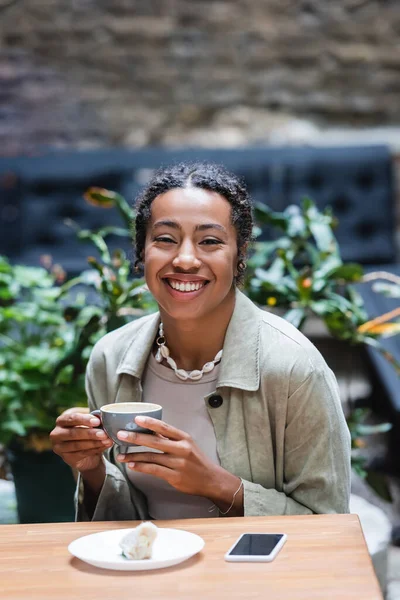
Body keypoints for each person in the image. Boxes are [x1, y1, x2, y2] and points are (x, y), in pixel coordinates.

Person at [50, 162, 351, 522]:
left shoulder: (293, 367)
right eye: (165, 239)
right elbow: (126, 526)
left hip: (256, 577)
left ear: (239, 256)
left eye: (210, 241)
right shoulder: (112, 358)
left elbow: (330, 523)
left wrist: (216, 484)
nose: (186, 259)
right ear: (141, 252)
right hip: (149, 574)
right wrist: (91, 468)